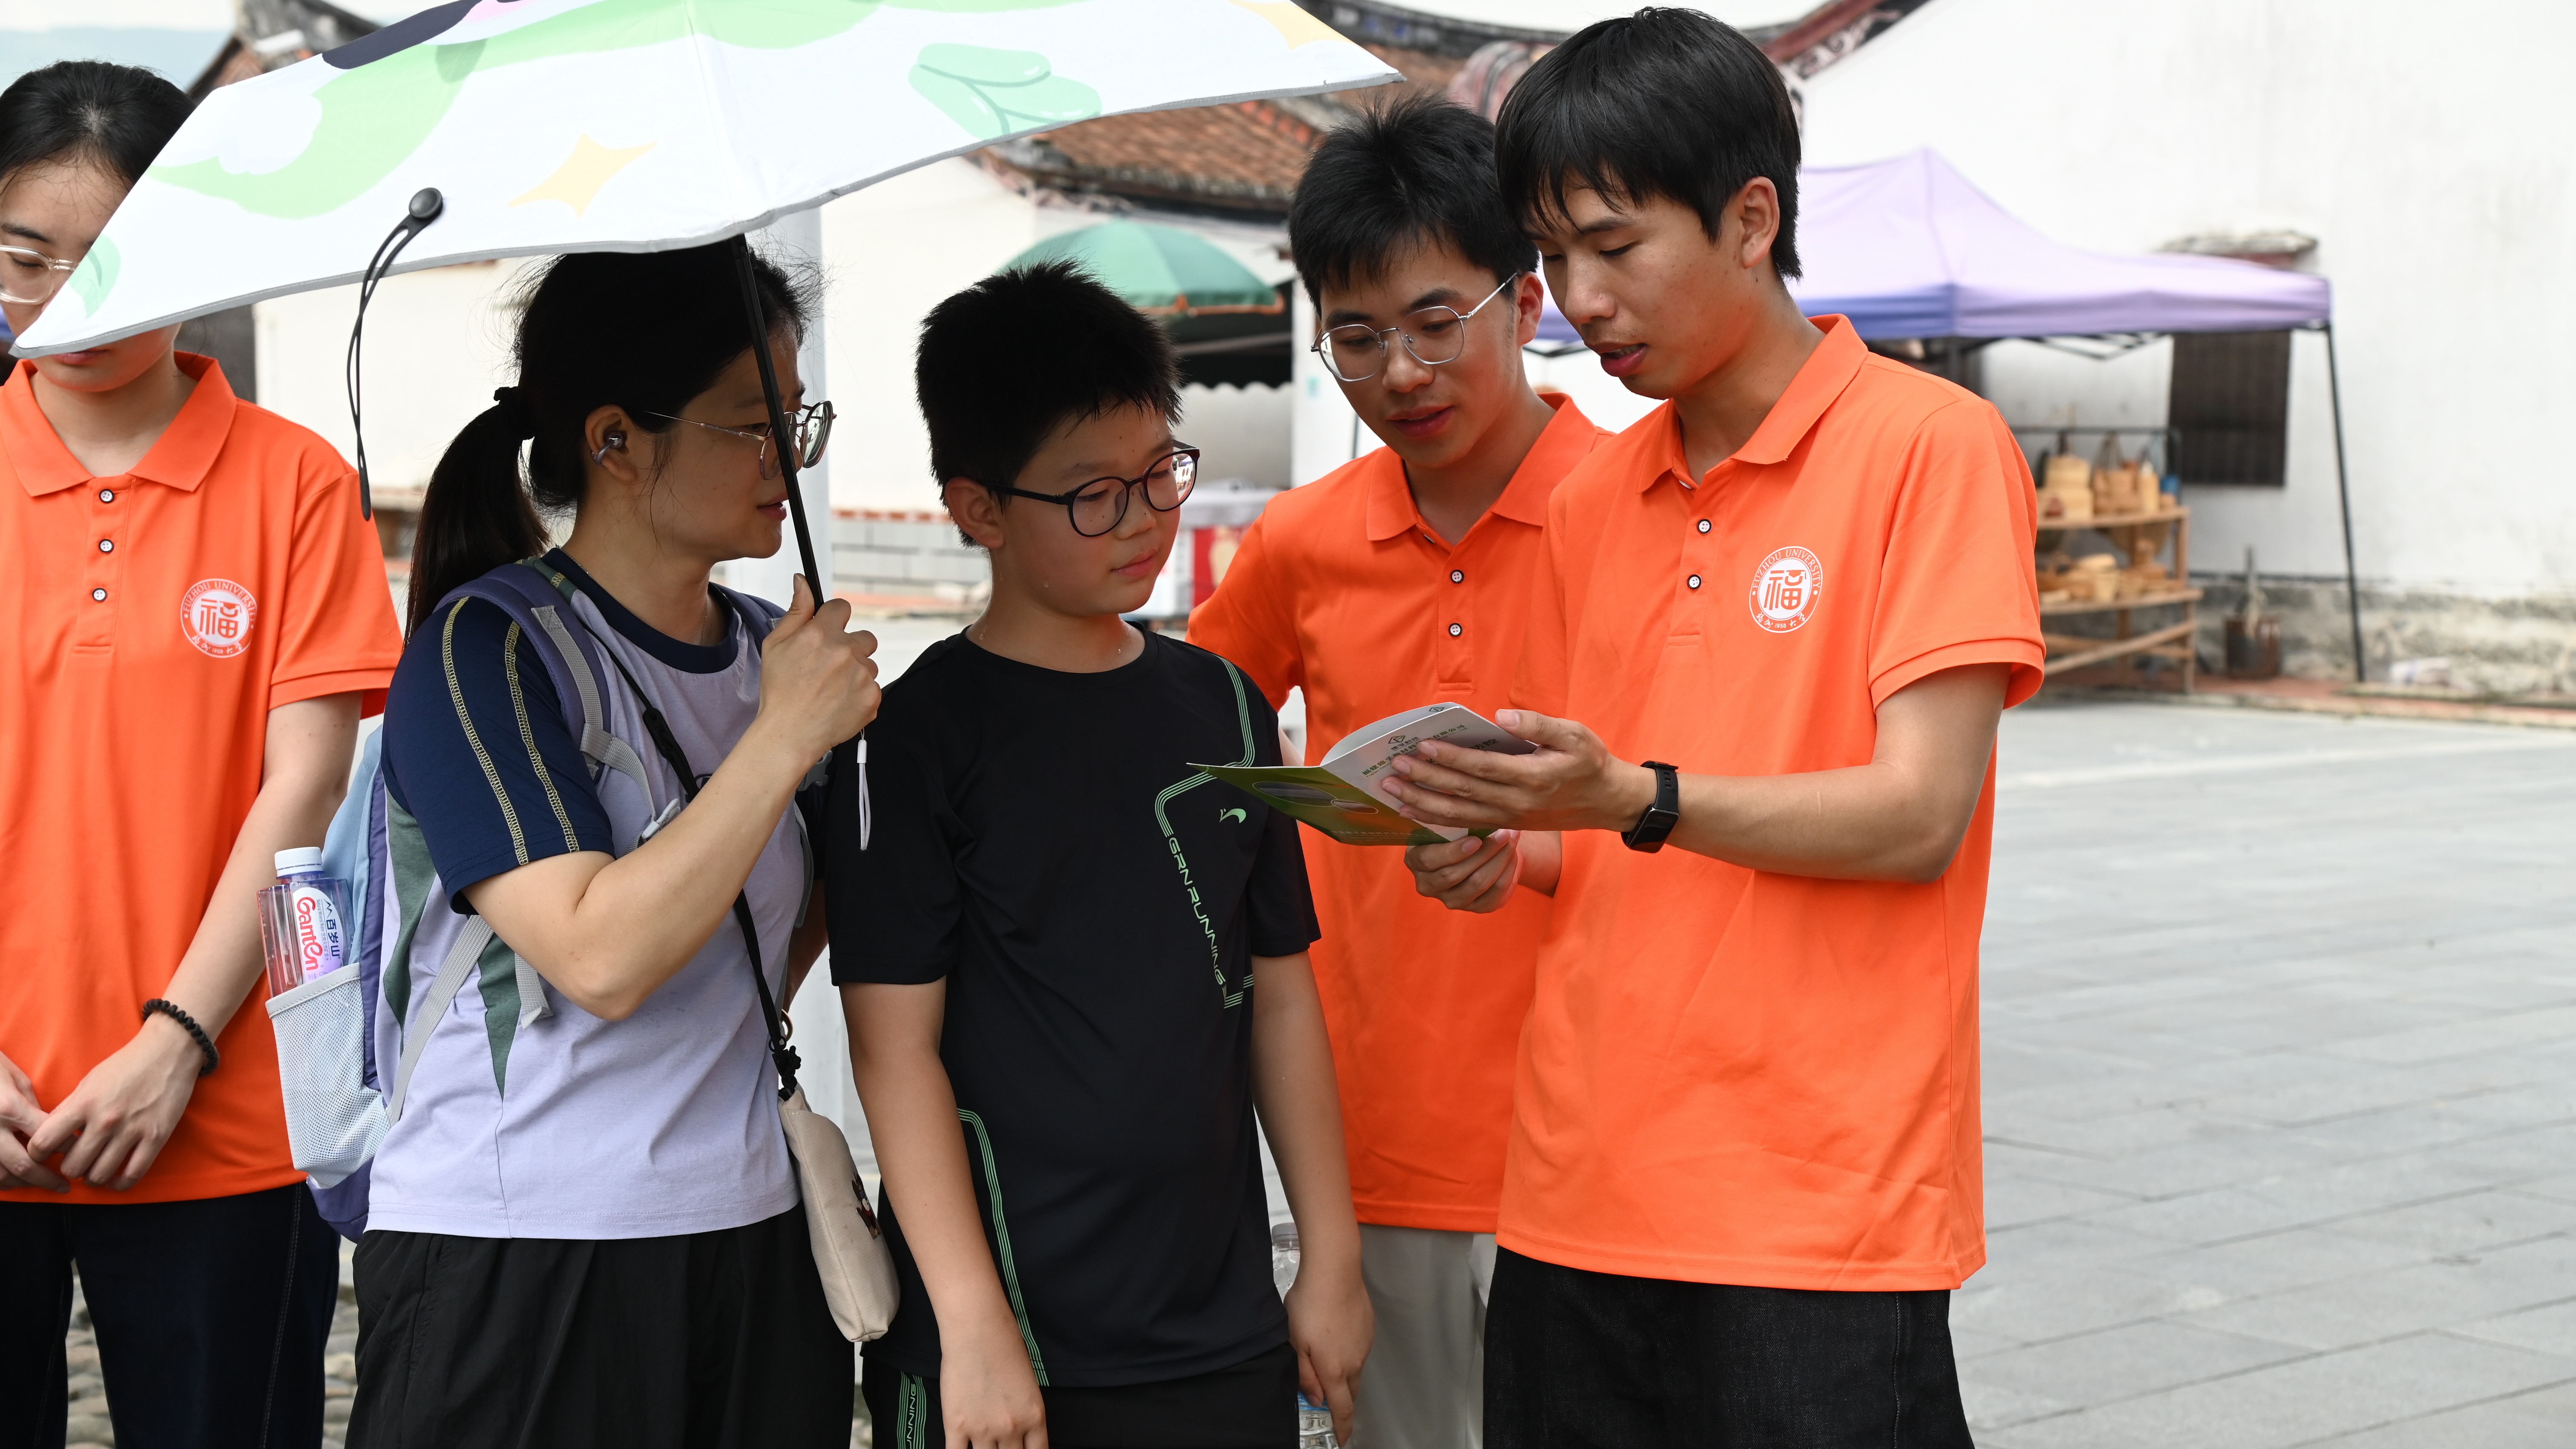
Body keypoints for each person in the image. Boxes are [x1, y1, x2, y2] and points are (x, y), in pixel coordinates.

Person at [1383, 12, 2046, 1447]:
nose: (1582, 300)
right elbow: (1602, 822)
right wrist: (1510, 846)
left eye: (1616, 247)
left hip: (1817, 1205)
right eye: (1553, 258)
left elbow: (1918, 813)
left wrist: (1631, 794)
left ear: (1752, 220)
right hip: (1573, 1191)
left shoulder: (1930, 449)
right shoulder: (1588, 498)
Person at [347, 243, 879, 1449]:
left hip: (753, 1230)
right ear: (617, 441)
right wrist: (783, 737)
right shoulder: (487, 651)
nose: (787, 460)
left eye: (797, 421)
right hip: (520, 1246)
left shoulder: (772, 649)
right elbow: (598, 957)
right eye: (752, 425)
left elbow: (782, 926)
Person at [831, 262, 1371, 1449]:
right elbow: (892, 1049)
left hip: (1219, 1327)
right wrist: (972, 1325)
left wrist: (1331, 1256)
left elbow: (1279, 992)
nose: (1141, 519)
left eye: (1160, 473)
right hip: (1009, 1345)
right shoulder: (915, 740)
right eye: (1092, 496)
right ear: (977, 509)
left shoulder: (1225, 707)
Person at [1185, 94, 1604, 1449]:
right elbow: (1190, 744)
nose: (1402, 373)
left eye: (1436, 324)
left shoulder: (1638, 511)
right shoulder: (1303, 541)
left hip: (1609, 1134)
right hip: (1384, 1143)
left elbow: (1701, 794)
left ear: (1525, 303)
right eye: (1357, 338)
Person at [0, 61, 402, 1449]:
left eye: (117, 257)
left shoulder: (295, 484)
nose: (70, 300)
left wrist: (176, 1042)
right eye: (25, 259)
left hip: (224, 1122)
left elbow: (308, 781)